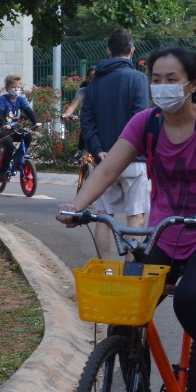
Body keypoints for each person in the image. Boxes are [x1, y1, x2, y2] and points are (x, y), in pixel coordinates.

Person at [58, 46, 196, 392]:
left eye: (171, 79)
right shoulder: (146, 122)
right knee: (124, 313)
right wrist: (77, 206)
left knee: (188, 301)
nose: (162, 87)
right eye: (156, 80)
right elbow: (109, 167)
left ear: (192, 85)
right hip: (165, 233)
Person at [79, 30, 150, 258]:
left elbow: (87, 122)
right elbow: (140, 119)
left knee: (104, 215)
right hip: (133, 159)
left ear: (108, 51)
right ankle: (131, 270)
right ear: (132, 50)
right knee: (135, 216)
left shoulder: (95, 83)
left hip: (103, 163)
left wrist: (99, 151)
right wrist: (126, 151)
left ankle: (104, 270)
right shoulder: (138, 79)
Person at [0, 74, 42, 176]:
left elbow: (29, 112)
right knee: (9, 146)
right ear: (7, 88)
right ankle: (2, 171)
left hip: (13, 129)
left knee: (27, 136)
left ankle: (18, 161)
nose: (16, 89)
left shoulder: (20, 99)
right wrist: (4, 124)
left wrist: (36, 122)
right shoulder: (3, 100)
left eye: (18, 87)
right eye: (13, 87)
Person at [61, 65, 95, 165]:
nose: (93, 80)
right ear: (87, 79)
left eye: (96, 77)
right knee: (86, 126)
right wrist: (66, 115)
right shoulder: (83, 91)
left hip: (101, 119)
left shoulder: (106, 91)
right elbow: (72, 106)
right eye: (91, 78)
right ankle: (79, 151)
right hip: (87, 117)